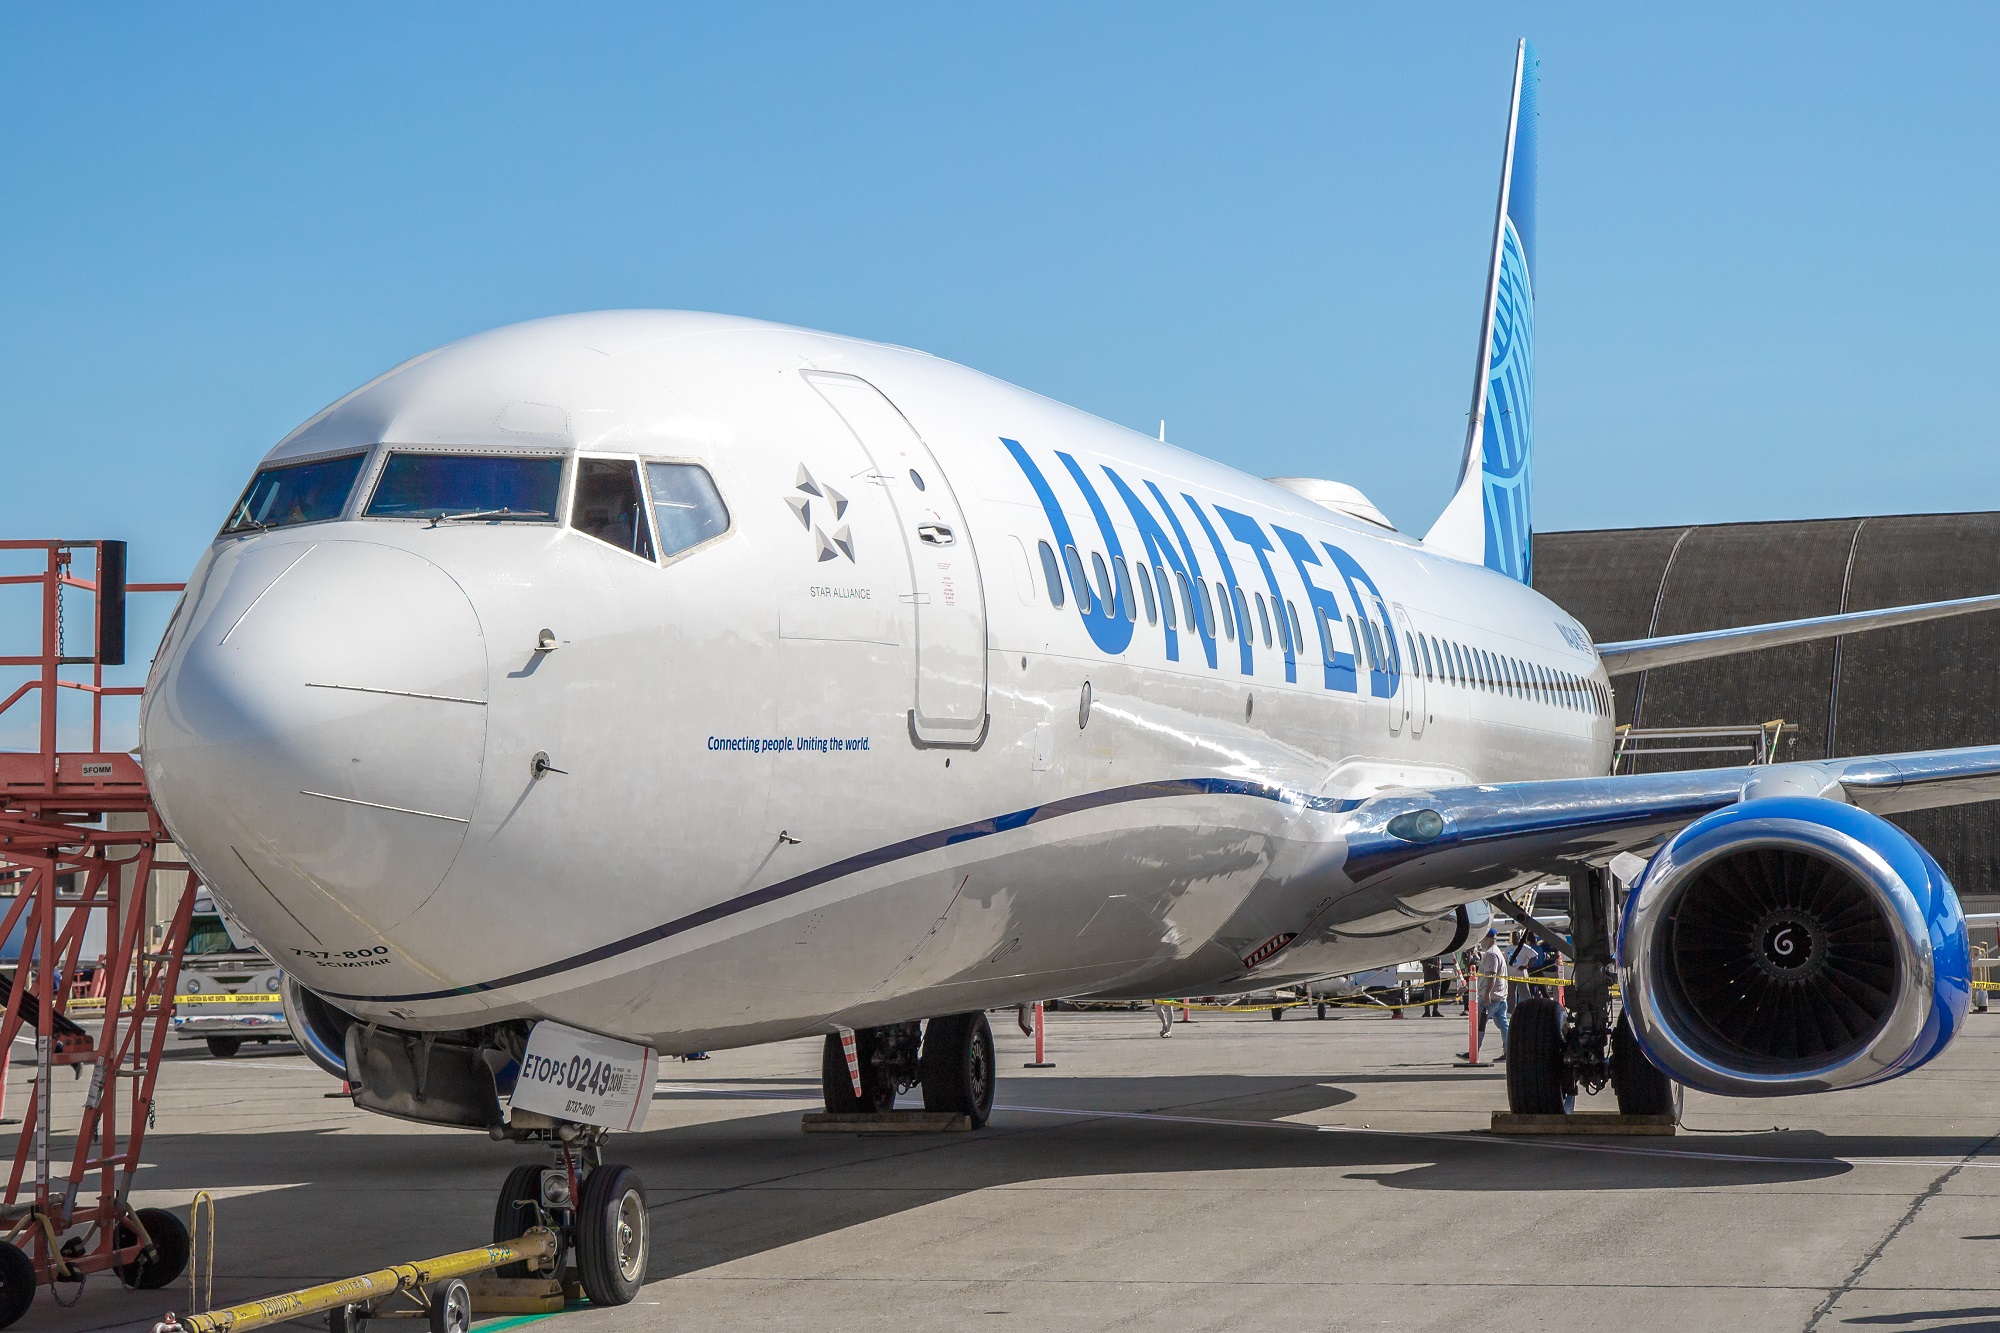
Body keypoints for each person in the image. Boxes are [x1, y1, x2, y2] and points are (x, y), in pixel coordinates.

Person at [1459, 929, 1509, 1060]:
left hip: (1491, 997)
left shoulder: (1491, 954)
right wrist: (1466, 987)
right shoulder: (1496, 952)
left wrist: (1487, 995)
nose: (1480, 941)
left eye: (1482, 938)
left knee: (1479, 1024)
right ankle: (1508, 1051)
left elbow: (1491, 976)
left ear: (1488, 938)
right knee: (1503, 1024)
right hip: (1500, 995)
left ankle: (1474, 1052)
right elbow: (1483, 977)